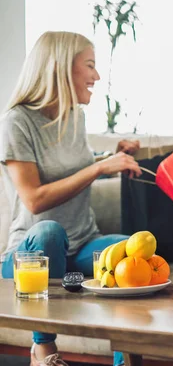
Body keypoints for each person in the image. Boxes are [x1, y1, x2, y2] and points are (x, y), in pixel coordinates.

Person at [0, 31, 142, 366]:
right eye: (90, 66)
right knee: (49, 231)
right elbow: (34, 199)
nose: (96, 76)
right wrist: (98, 170)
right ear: (62, 68)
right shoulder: (17, 122)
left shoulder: (75, 116)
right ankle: (43, 348)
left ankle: (126, 360)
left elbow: (70, 166)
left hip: (81, 247)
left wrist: (109, 158)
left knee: (130, 252)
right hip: (29, 255)